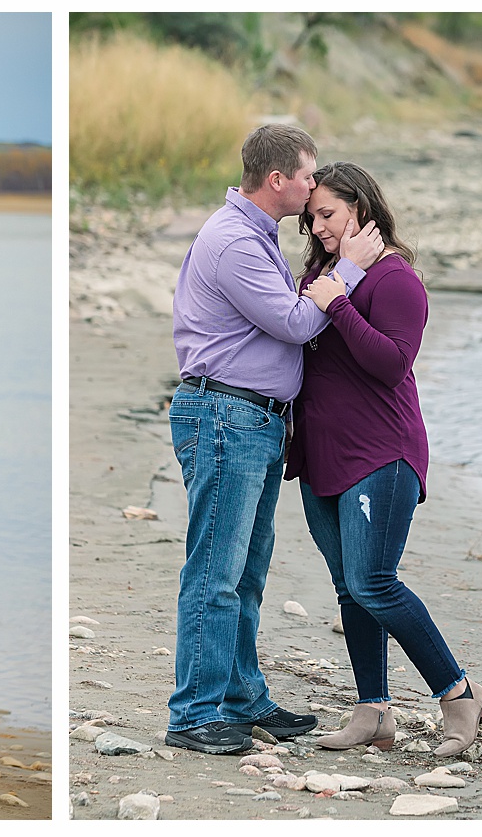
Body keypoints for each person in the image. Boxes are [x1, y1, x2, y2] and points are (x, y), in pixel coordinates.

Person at [164, 125, 384, 755]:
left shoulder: (256, 235)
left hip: (252, 420)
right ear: (279, 180)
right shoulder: (234, 241)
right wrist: (349, 268)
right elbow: (292, 322)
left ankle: (240, 697)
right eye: (309, 175)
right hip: (225, 416)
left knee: (247, 569)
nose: (316, 186)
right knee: (216, 569)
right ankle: (195, 712)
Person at [291, 162, 482, 757]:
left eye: (328, 213)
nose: (319, 226)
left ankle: (460, 693)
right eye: (312, 217)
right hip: (324, 456)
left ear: (361, 208)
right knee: (349, 588)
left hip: (382, 454)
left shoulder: (395, 279)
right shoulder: (327, 275)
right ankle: (374, 712)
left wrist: (338, 305)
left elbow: (391, 364)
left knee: (374, 583)